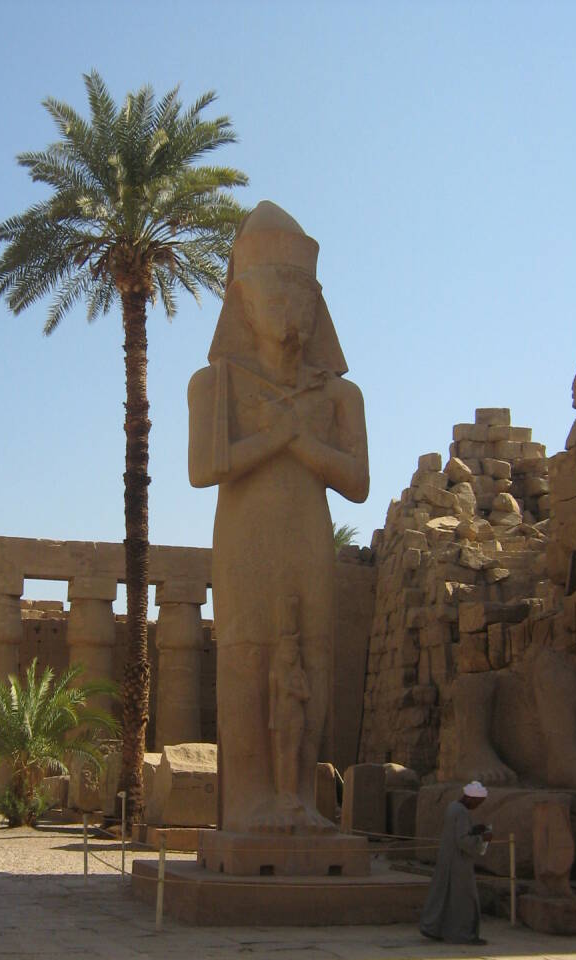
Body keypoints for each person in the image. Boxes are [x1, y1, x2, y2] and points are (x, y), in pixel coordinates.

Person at [188, 201, 369, 833]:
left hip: (308, 537)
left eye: (301, 299)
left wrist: (299, 441)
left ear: (317, 308)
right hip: (246, 540)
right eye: (274, 298)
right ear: (243, 306)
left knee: (310, 660)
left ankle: (299, 801)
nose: (289, 311)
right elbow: (204, 469)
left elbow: (357, 483)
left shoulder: (340, 394)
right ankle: (248, 804)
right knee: (244, 657)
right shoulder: (214, 386)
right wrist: (277, 438)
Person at [420, 781, 493, 944]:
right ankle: (463, 935)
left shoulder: (453, 807)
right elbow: (462, 841)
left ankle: (435, 928)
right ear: (470, 798)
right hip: (458, 862)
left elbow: (458, 833)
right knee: (464, 899)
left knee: (444, 896)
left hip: (448, 859)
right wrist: (482, 838)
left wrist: (473, 830)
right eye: (478, 803)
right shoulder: (461, 812)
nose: (477, 806)